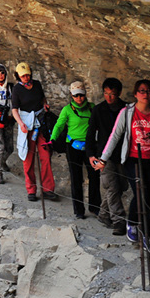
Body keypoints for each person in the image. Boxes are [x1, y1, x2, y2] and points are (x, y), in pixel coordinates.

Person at [96, 79, 150, 251]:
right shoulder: (127, 112)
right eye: (141, 91)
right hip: (133, 159)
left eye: (148, 91)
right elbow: (115, 135)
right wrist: (103, 158)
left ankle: (145, 236)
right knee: (141, 192)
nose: (145, 94)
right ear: (135, 94)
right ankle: (133, 224)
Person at [87, 77, 128, 235]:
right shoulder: (98, 110)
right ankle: (119, 221)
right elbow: (90, 133)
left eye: (113, 94)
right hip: (104, 155)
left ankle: (103, 214)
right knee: (112, 187)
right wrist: (91, 154)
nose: (109, 97)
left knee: (121, 186)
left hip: (123, 154)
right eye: (106, 93)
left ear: (119, 93)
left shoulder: (126, 109)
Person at [51, 81, 99, 220]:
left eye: (82, 95)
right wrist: (52, 139)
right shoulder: (67, 110)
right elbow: (59, 125)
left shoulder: (92, 108)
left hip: (90, 147)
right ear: (71, 95)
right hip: (73, 147)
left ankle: (95, 207)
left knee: (94, 177)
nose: (79, 99)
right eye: (76, 96)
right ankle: (79, 210)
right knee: (76, 178)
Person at [11, 62, 57, 202]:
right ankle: (31, 190)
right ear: (18, 76)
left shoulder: (36, 84)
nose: (26, 77)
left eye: (27, 75)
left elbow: (42, 98)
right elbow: (14, 109)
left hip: (40, 124)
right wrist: (21, 124)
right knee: (28, 159)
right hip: (27, 125)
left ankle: (48, 189)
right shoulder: (17, 90)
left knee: (45, 155)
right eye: (23, 75)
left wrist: (45, 105)